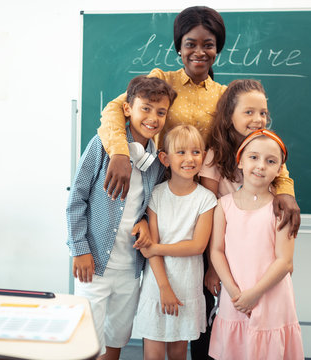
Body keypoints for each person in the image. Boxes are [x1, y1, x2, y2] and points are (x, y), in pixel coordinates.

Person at [98, 6, 299, 358]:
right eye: (190, 44)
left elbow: (260, 145)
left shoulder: (225, 97)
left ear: (218, 49)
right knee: (155, 293)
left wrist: (284, 187)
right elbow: (117, 110)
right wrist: (118, 152)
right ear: (179, 47)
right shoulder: (163, 80)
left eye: (209, 45)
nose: (199, 52)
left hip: (207, 204)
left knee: (205, 305)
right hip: (158, 198)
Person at [66, 76, 177, 360]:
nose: (153, 118)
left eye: (161, 112)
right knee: (86, 340)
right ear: (127, 109)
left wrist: (142, 222)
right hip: (94, 265)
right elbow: (76, 200)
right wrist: (79, 250)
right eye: (146, 108)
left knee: (117, 338)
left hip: (130, 269)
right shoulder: (101, 146)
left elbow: (147, 205)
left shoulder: (155, 162)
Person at [209, 129, 304, 359]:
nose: (261, 165)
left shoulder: (282, 210)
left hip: (270, 298)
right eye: (253, 157)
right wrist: (234, 291)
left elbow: (285, 261)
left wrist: (254, 294)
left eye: (270, 161)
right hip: (236, 297)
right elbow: (217, 251)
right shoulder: (223, 205)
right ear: (239, 161)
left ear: (279, 169)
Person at [135, 125, 217, 360]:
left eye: (196, 152)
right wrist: (164, 288)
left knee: (179, 352)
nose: (189, 158)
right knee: (153, 353)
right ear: (165, 158)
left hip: (187, 286)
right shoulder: (156, 195)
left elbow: (197, 246)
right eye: (180, 152)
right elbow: (150, 247)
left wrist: (155, 248)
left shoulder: (206, 199)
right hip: (157, 284)